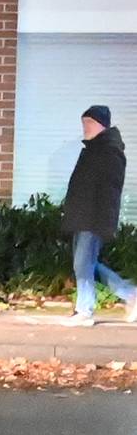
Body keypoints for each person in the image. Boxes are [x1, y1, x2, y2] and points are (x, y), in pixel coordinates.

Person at [60, 105, 130, 326]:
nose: (85, 128)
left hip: (93, 219)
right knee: (87, 264)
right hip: (83, 217)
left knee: (83, 264)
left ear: (101, 125)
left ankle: (85, 310)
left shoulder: (109, 151)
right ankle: (131, 295)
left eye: (89, 123)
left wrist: (103, 222)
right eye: (84, 123)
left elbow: (110, 191)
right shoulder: (95, 149)